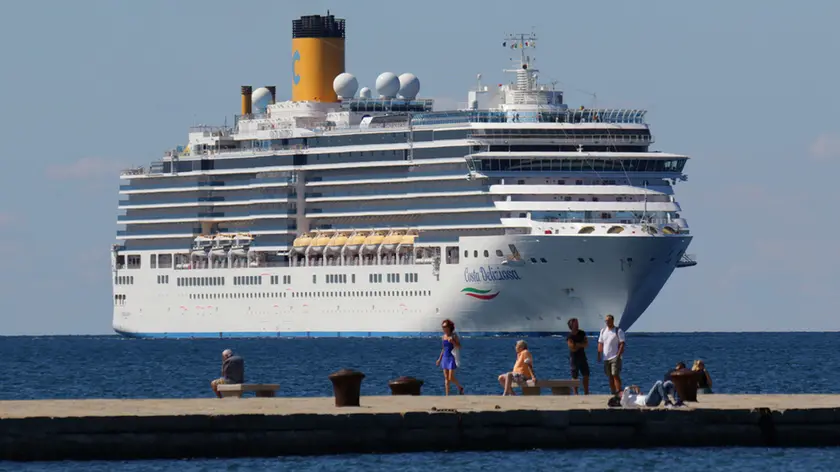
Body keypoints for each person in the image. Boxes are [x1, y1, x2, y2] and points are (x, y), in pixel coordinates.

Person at [597, 314, 626, 395]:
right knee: (610, 376)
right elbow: (600, 343)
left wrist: (618, 355)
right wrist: (599, 354)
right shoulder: (603, 331)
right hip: (606, 357)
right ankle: (613, 392)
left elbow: (622, 344)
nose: (607, 322)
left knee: (615, 374)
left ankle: (619, 391)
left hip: (615, 357)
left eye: (608, 320)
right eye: (606, 321)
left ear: (612, 321)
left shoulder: (618, 331)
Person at [435, 319, 464, 395]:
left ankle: (460, 387)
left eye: (445, 326)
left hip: (452, 357)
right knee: (446, 378)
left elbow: (459, 347)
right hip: (445, 357)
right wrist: (439, 359)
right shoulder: (443, 337)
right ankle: (447, 395)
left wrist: (453, 342)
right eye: (443, 327)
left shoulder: (454, 336)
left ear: (449, 327)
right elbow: (443, 349)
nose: (444, 328)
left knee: (451, 377)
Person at [566, 318, 590, 395]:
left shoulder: (582, 333)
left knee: (586, 375)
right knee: (574, 376)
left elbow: (586, 344)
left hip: (582, 356)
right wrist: (580, 344)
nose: (577, 324)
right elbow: (572, 347)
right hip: (574, 358)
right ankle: (576, 393)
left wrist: (577, 345)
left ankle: (586, 392)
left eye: (577, 323)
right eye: (575, 323)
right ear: (571, 325)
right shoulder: (570, 336)